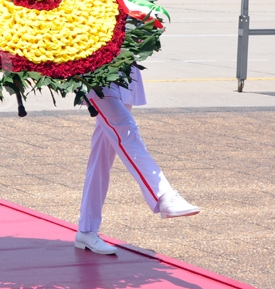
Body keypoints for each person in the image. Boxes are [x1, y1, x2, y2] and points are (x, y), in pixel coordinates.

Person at [75, 66, 199, 254]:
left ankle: (86, 229)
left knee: (102, 155)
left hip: (122, 70)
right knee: (126, 132)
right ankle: (163, 195)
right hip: (95, 72)